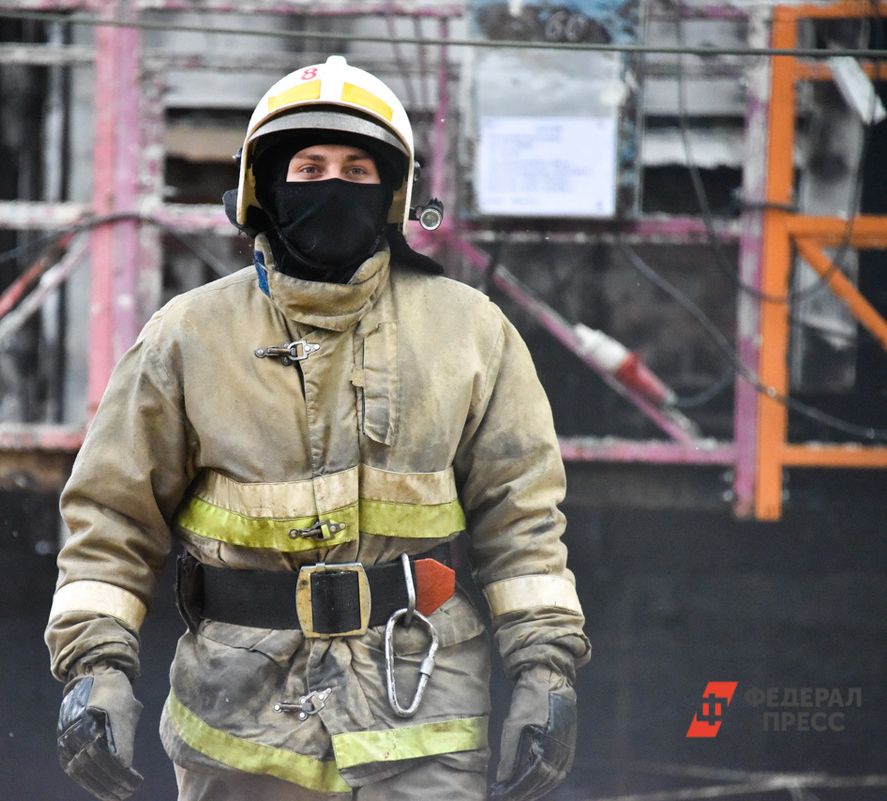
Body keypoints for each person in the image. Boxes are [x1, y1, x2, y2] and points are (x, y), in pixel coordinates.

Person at [46, 55, 590, 801]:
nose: (333, 185)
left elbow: (523, 522)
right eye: (308, 167)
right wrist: (96, 671)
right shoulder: (187, 337)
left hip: (422, 714)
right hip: (237, 725)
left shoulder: (473, 333)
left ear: (393, 192)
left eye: (356, 169)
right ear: (263, 189)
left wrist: (544, 671)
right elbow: (110, 517)